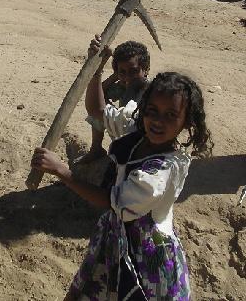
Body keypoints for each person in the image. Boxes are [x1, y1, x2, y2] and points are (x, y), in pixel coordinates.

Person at [31, 71, 213, 300]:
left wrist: (62, 172)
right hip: (114, 237)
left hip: (148, 253)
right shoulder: (137, 132)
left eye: (171, 115)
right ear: (144, 108)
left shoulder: (164, 170)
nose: (158, 121)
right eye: (152, 111)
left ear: (186, 121)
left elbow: (113, 201)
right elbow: (98, 112)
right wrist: (96, 70)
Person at [79, 34, 150, 164]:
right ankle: (96, 149)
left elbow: (95, 107)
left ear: (145, 70)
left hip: (141, 146)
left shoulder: (150, 92)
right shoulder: (123, 87)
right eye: (122, 72)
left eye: (133, 71)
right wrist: (105, 68)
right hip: (123, 135)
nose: (128, 77)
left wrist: (100, 71)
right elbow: (100, 94)